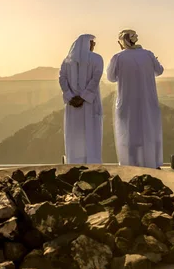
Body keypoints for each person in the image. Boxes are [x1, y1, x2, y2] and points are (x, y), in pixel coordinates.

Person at [106, 29, 164, 168]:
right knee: (148, 129)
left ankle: (130, 164)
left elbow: (111, 77)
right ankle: (151, 162)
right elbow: (159, 71)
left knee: (128, 132)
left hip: (127, 101)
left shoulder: (118, 57)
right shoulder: (148, 55)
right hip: (148, 100)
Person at [58, 34, 104, 164]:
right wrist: (83, 97)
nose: (94, 45)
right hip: (90, 104)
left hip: (73, 105)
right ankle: (92, 163)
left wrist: (70, 97)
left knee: (75, 134)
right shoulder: (97, 59)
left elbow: (62, 79)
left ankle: (75, 163)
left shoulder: (67, 61)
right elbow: (95, 79)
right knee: (90, 134)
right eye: (92, 42)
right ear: (86, 44)